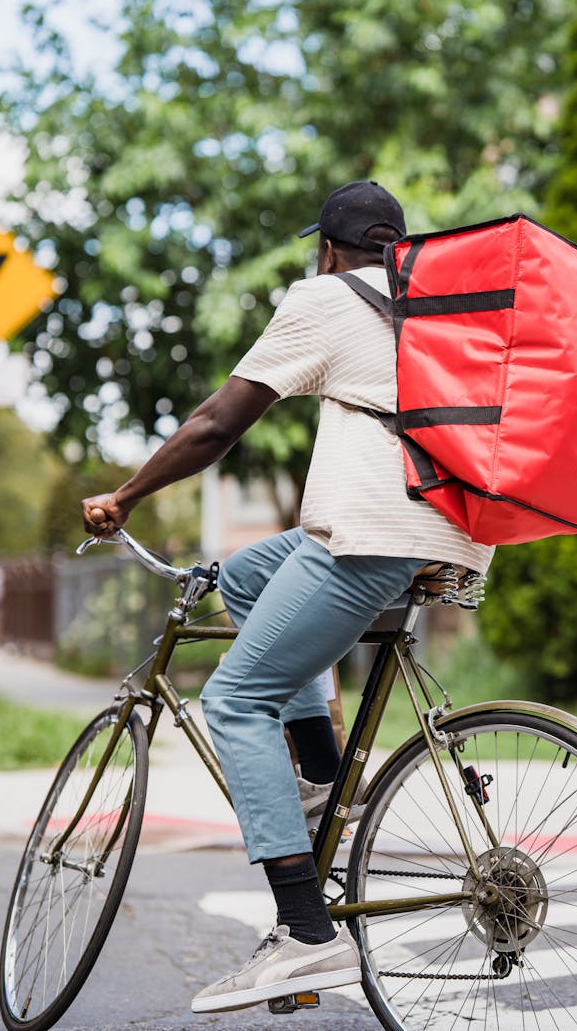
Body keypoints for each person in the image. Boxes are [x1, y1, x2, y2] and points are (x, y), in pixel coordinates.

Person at [81, 180, 493, 1013]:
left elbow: (216, 424)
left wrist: (125, 495)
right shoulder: (442, 308)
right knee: (246, 572)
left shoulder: (328, 297)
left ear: (330, 249)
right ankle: (320, 784)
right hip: (450, 533)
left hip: (370, 532)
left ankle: (305, 931)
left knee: (234, 701)